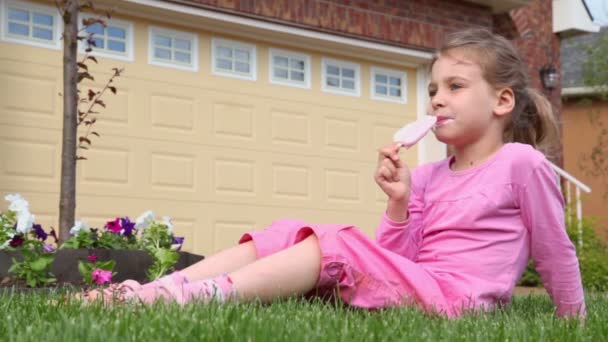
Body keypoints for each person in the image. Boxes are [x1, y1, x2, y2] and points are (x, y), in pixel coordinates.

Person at [85, 28, 586, 318]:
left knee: (338, 244)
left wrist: (573, 320)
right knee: (286, 232)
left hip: (459, 300)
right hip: (424, 284)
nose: (436, 98)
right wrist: (397, 203)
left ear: (502, 101)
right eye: (433, 88)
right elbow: (393, 262)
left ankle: (186, 299)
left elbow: (554, 247)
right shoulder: (430, 175)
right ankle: (155, 290)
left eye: (455, 86)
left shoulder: (522, 164)